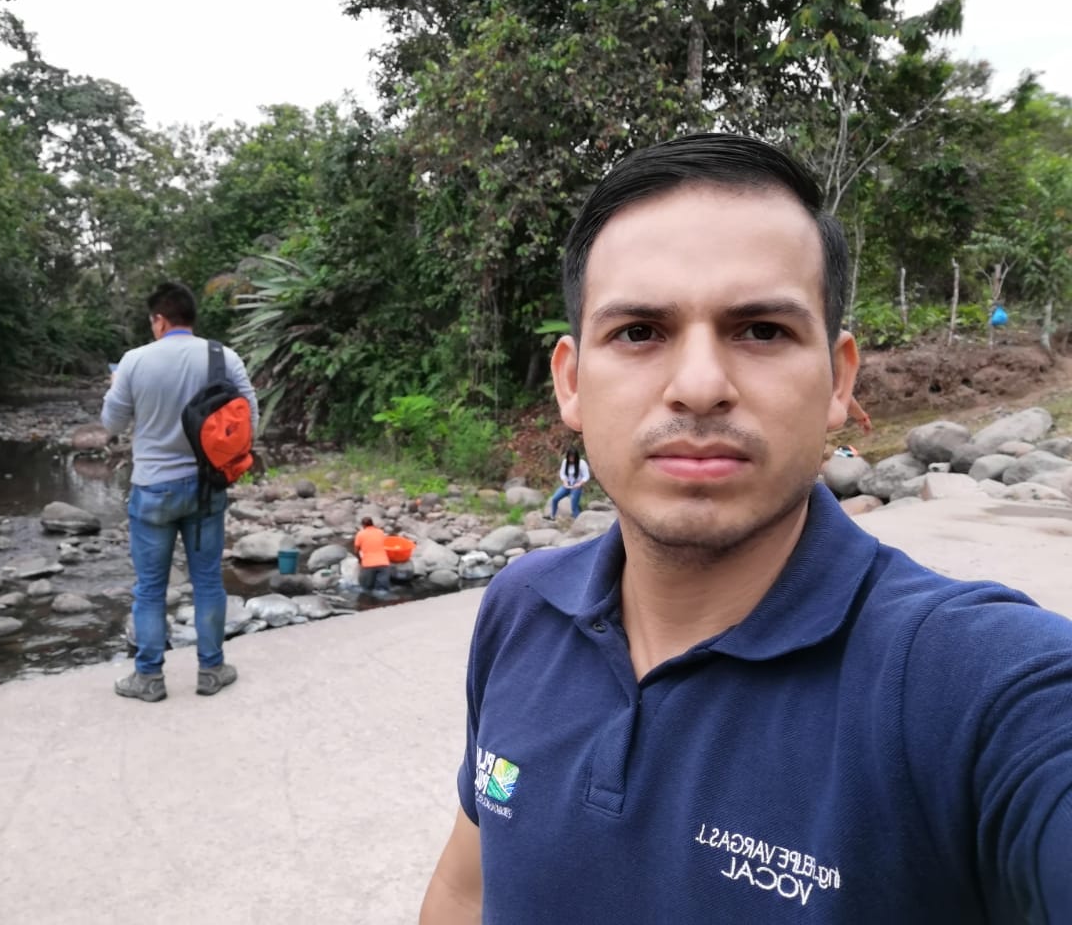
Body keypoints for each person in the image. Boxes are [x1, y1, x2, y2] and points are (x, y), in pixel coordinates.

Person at [420, 134, 1072, 923]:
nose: (699, 387)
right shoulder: (520, 608)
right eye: (639, 332)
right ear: (572, 382)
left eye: (761, 330)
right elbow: (466, 889)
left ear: (837, 380)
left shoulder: (971, 683)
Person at [101, 280, 258, 703]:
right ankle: (211, 670)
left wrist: (115, 385)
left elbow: (111, 423)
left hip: (152, 489)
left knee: (150, 588)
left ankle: (149, 678)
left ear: (159, 320)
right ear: (191, 317)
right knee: (207, 581)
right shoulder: (223, 357)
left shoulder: (134, 361)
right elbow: (250, 418)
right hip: (207, 487)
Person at [544, 447, 590, 519]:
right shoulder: (565, 462)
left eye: (573, 457)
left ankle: (578, 519)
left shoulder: (581, 463)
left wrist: (579, 483)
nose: (571, 458)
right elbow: (562, 474)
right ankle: (552, 516)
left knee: (573, 505)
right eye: (570, 457)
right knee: (555, 498)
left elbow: (586, 476)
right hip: (567, 485)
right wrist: (565, 482)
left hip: (576, 486)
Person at [353, 517, 391, 593]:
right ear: (373, 524)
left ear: (363, 525)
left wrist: (360, 560)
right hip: (383, 563)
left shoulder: (360, 534)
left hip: (368, 564)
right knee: (382, 591)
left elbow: (356, 551)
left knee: (366, 588)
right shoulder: (380, 532)